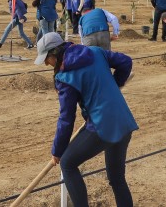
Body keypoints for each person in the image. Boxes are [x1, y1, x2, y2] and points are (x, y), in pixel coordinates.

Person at [35, 33, 137, 207]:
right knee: (117, 178)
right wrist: (116, 83)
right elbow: (126, 61)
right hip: (123, 120)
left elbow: (66, 118)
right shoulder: (96, 52)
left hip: (101, 126)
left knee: (67, 163)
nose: (46, 63)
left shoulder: (65, 76)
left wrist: (58, 151)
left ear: (55, 53)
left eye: (46, 59)